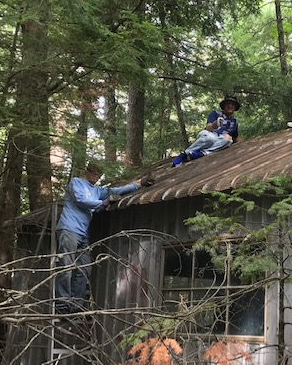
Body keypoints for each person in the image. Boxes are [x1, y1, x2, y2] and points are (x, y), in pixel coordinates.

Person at [54, 162, 154, 314]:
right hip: (69, 229)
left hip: (82, 233)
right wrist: (102, 203)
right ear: (87, 171)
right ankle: (62, 305)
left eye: (99, 175)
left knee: (85, 268)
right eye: (94, 174)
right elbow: (81, 201)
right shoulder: (77, 183)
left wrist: (139, 183)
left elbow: (115, 190)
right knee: (66, 266)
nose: (96, 177)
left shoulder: (97, 190)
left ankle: (75, 304)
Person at [172, 95, 241, 167]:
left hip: (219, 141)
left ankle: (200, 154)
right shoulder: (215, 114)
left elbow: (235, 137)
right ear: (224, 105)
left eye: (232, 104)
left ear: (235, 107)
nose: (230, 106)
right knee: (210, 138)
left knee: (228, 140)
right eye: (228, 104)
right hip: (209, 135)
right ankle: (184, 155)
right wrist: (215, 124)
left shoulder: (234, 121)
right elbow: (208, 127)